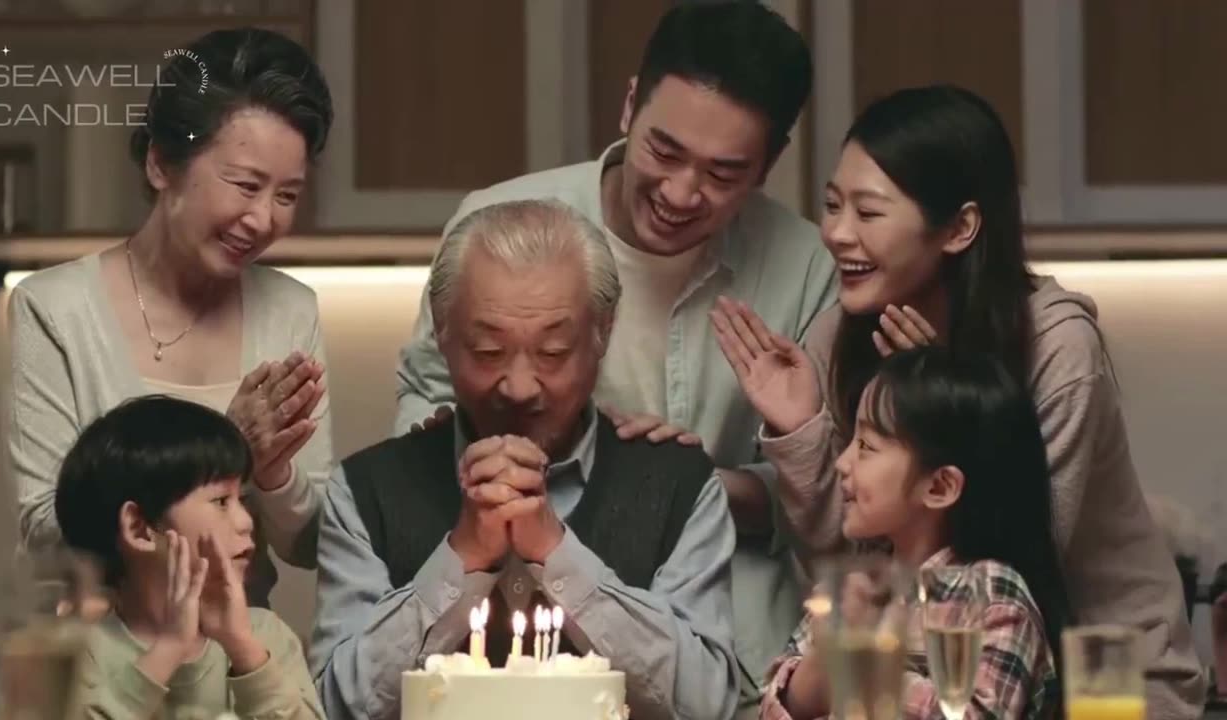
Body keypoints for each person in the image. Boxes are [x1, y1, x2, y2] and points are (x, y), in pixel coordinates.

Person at [712, 84, 1206, 718]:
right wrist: (803, 431)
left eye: (869, 212)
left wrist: (935, 402)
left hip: (1110, 677)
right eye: (833, 205)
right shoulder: (838, 335)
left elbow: (1016, 555)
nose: (835, 233)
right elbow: (854, 569)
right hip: (907, 670)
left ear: (960, 228)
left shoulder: (1057, 346)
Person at [392, 2, 836, 706]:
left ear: (772, 161)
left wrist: (686, 488)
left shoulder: (805, 264)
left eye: (724, 173)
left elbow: (824, 501)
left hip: (724, 656)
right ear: (630, 103)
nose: (682, 192)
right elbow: (419, 417)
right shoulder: (498, 219)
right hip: (520, 635)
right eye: (665, 150)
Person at [310, 200, 738, 720]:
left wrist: (555, 553)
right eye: (488, 352)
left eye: (553, 353)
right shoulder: (367, 490)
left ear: (603, 331)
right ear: (442, 334)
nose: (518, 387)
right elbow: (330, 705)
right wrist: (461, 558)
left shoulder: (679, 485)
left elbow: (708, 703)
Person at [7, 27, 335, 606]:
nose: (262, 220)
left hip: (238, 661)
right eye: (245, 185)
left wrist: (275, 472)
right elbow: (46, 534)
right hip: (94, 660)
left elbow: (309, 543)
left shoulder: (290, 310)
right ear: (161, 164)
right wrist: (225, 451)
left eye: (286, 195)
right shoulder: (55, 309)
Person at [754, 347, 1066, 720]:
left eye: (867, 446)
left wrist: (866, 664)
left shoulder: (992, 593)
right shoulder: (862, 584)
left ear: (939, 487)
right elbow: (774, 709)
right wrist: (825, 654)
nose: (842, 462)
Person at [53, 395, 323, 719]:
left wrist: (242, 648)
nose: (246, 521)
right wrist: (169, 649)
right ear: (139, 528)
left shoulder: (264, 636)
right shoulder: (81, 652)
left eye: (243, 498)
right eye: (221, 501)